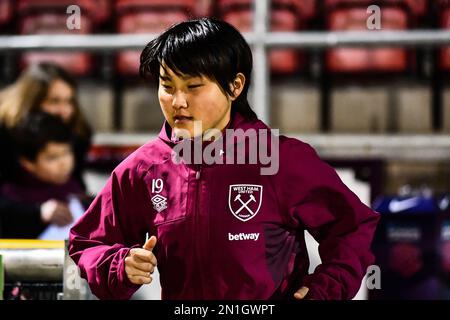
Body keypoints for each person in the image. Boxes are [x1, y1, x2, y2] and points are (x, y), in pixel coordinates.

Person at [69, 17, 380, 300]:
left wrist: (324, 290)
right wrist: (119, 267)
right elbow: (86, 243)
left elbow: (353, 226)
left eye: (193, 87)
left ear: (235, 86)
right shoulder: (141, 170)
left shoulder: (282, 160)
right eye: (167, 86)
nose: (178, 101)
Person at [0, 62, 92, 238]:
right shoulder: (4, 132)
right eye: (54, 101)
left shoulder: (77, 131)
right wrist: (37, 212)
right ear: (31, 102)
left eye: (69, 101)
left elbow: (76, 180)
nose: (64, 111)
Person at [1, 112, 83, 210]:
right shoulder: (13, 199)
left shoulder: (72, 187)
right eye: (53, 157)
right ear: (28, 163)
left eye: (67, 152)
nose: (64, 163)